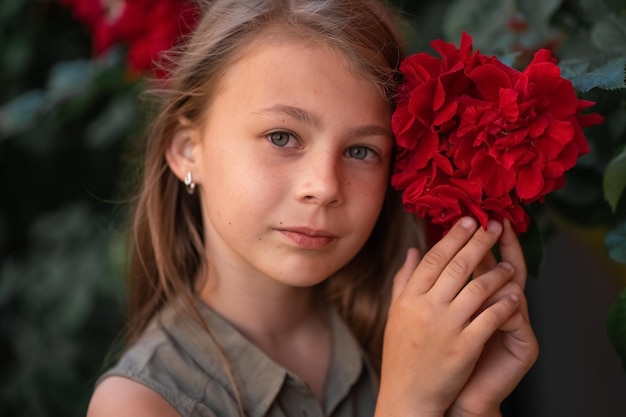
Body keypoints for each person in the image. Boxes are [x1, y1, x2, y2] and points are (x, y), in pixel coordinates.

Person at [87, 0, 539, 416]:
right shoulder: (139, 403)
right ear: (188, 150)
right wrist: (411, 405)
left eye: (361, 151)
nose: (324, 187)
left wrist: (465, 408)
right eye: (282, 137)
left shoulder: (410, 345)